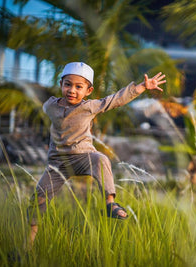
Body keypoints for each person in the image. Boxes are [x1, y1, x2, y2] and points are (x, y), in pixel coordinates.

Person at [27, 62, 166, 246]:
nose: (72, 90)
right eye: (68, 84)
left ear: (89, 90)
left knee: (101, 159)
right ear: (61, 84)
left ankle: (110, 203)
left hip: (83, 157)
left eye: (79, 87)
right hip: (57, 163)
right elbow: (39, 104)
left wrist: (142, 87)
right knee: (38, 199)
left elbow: (116, 100)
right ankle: (26, 246)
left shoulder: (90, 107)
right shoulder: (50, 105)